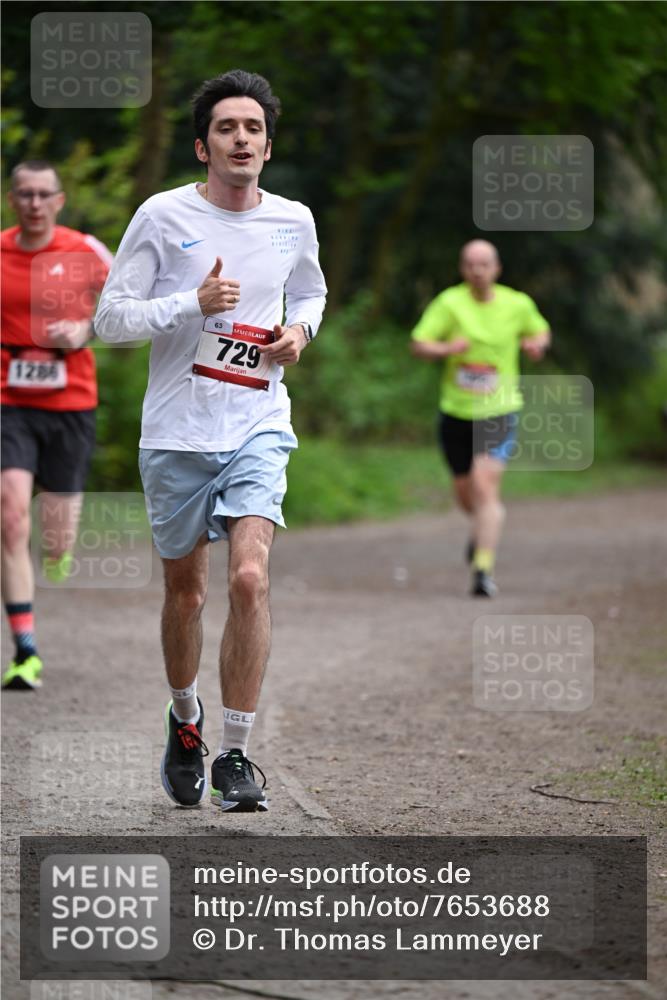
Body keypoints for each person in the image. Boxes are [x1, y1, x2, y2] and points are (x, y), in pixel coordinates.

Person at [94, 69, 327, 813]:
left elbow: (312, 289)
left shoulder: (293, 220)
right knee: (186, 593)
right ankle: (185, 722)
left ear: (267, 143)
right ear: (203, 145)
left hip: (258, 420)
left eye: (253, 128)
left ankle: (235, 752)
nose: (241, 139)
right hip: (176, 433)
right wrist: (187, 304)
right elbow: (111, 321)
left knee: (250, 578)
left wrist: (300, 331)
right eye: (226, 128)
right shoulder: (161, 217)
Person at [1, 160, 112, 690]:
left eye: (44, 194)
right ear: (13, 199)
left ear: (60, 200)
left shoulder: (84, 249)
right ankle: (25, 648)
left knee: (55, 537)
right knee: (10, 515)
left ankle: (60, 553)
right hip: (9, 401)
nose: (35, 203)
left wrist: (85, 328)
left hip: (70, 400)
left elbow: (126, 305)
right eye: (25, 194)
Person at [410, 239, 550, 597]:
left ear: (497, 268)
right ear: (462, 269)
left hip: (498, 411)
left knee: (485, 486)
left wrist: (536, 345)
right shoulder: (449, 303)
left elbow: (540, 330)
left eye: (484, 264)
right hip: (456, 412)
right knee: (465, 494)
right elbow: (419, 343)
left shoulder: (517, 304)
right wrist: (447, 348)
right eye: (470, 264)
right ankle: (481, 530)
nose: (477, 270)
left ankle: (483, 569)